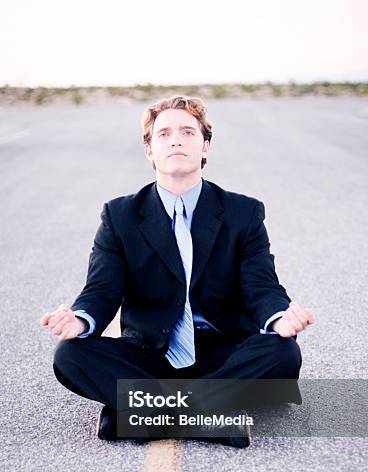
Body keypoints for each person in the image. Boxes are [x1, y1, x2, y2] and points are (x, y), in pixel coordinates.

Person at [40, 95, 315, 448]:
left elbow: (260, 285)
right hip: (151, 354)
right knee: (70, 354)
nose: (175, 140)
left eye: (188, 132)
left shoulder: (242, 212)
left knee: (282, 352)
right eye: (164, 133)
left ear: (205, 147)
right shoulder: (120, 216)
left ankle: (137, 416)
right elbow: (102, 289)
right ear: (149, 150)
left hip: (222, 353)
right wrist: (79, 320)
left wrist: (280, 319)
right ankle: (214, 417)